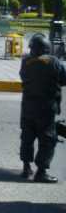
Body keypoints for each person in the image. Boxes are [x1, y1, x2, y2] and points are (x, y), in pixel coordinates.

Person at [18, 33, 66, 183]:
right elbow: (64, 80)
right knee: (47, 140)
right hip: (46, 108)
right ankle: (41, 172)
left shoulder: (25, 61)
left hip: (27, 107)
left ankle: (26, 168)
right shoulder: (54, 62)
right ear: (47, 47)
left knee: (27, 137)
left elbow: (23, 76)